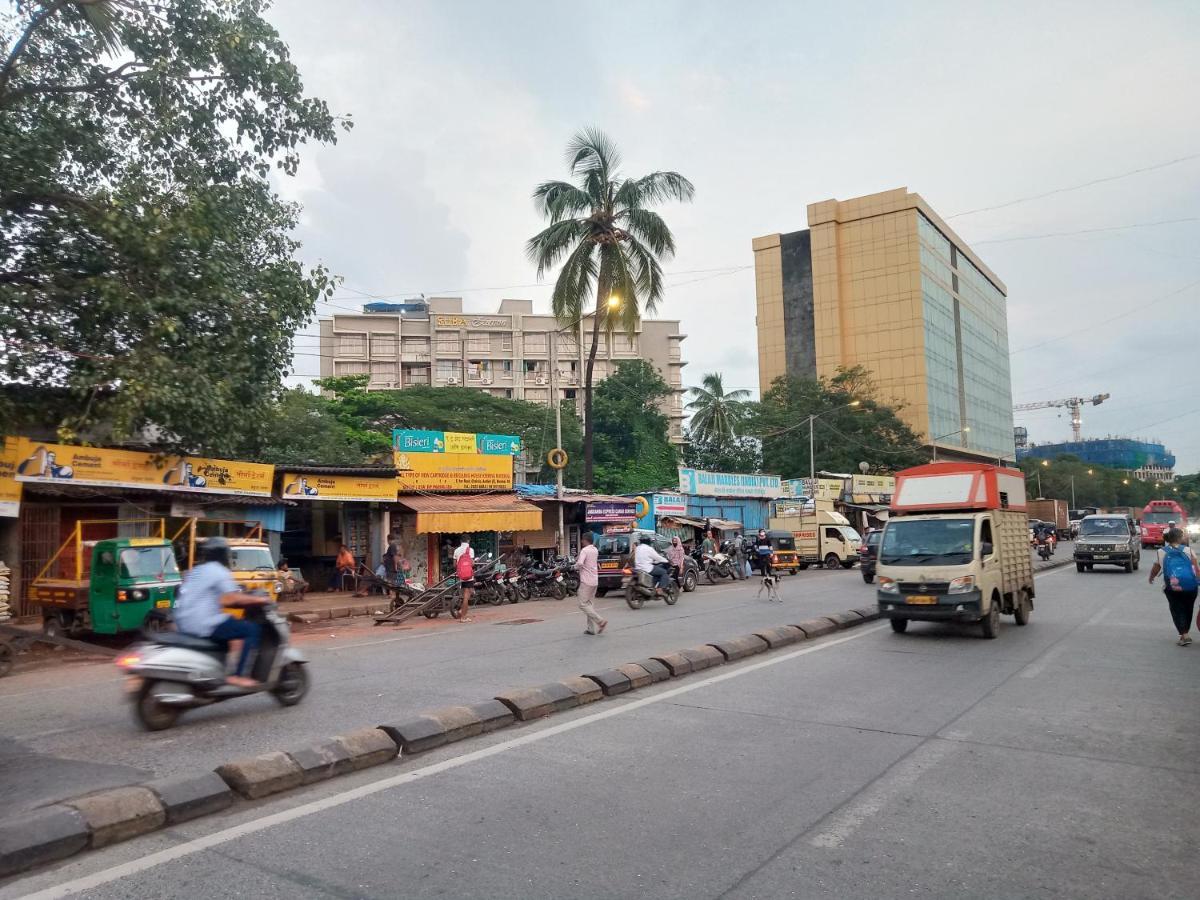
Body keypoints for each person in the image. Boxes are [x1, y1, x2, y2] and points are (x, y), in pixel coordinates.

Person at [173, 537, 268, 688]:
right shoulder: (218, 571)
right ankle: (239, 676)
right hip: (204, 623)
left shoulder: (196, 571)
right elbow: (233, 596)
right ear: (222, 554)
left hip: (184, 622)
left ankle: (217, 673)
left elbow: (221, 599)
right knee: (250, 629)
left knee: (227, 628)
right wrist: (259, 600)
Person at [1148, 527, 1199, 646]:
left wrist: (1151, 577)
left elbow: (1156, 567)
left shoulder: (1161, 551)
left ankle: (1184, 634)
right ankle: (1185, 633)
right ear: (1180, 538)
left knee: (1176, 609)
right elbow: (1196, 569)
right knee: (1188, 608)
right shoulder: (1188, 550)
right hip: (1191, 586)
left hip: (1172, 586)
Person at [573, 532, 606, 635]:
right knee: (589, 604)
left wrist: (574, 567)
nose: (581, 541)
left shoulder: (584, 550)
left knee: (582, 604)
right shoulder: (595, 550)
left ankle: (600, 621)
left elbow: (580, 563)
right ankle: (591, 629)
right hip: (594, 580)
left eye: (582, 539)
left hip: (586, 581)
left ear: (585, 540)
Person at [453, 535, 475, 622]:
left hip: (461, 575)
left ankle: (462, 612)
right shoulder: (470, 550)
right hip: (469, 576)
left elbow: (454, 565)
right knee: (466, 596)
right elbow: (472, 564)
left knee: (465, 594)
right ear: (468, 541)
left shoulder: (456, 550)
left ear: (460, 541)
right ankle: (463, 616)